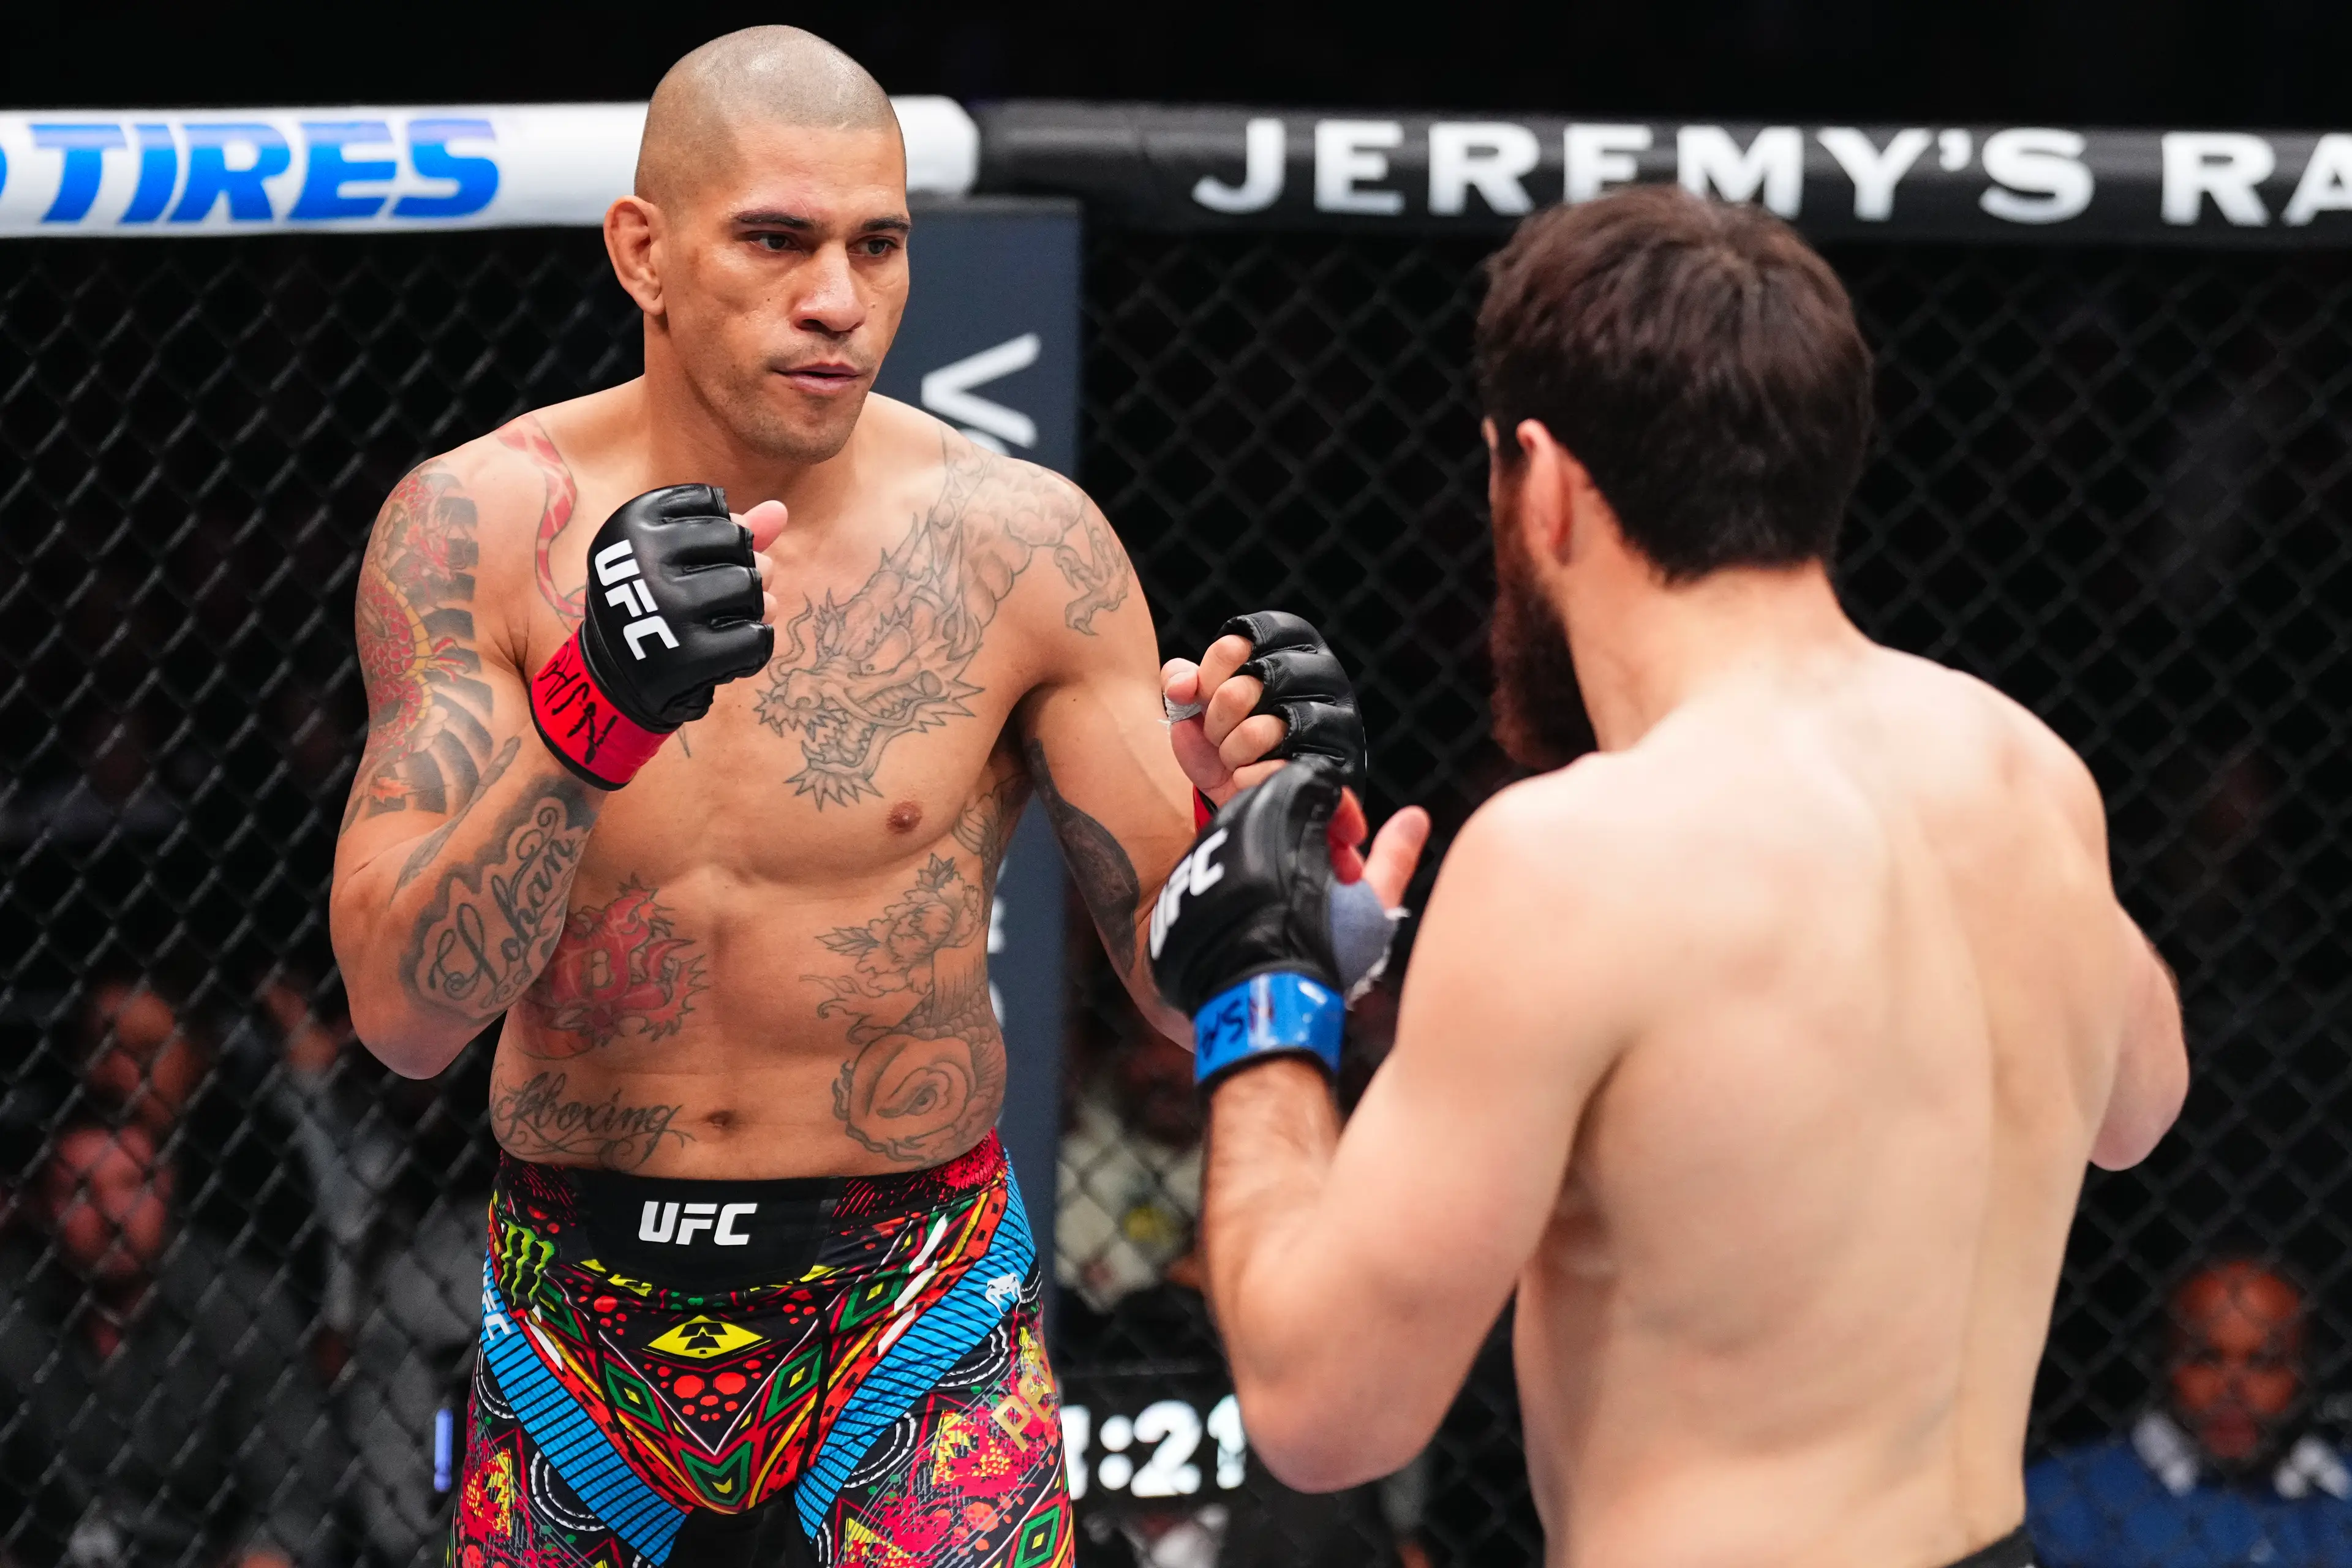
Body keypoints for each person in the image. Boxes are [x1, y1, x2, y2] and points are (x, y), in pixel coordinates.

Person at [326, 26, 1362, 1568]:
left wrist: (1246, 834)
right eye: (776, 240)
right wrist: (588, 717)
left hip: (914, 1299)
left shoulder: (1022, 546)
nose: (837, 298)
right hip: (577, 1307)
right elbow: (404, 1015)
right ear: (643, 251)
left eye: (878, 245)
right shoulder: (474, 527)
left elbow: (1171, 986)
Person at [1144, 182, 2190, 1568]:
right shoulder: (2021, 768)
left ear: (1543, 480)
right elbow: (2137, 1107)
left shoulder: (1568, 861)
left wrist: (1260, 988)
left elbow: (1322, 1409)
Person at [0, 1122, 344, 1567]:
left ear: (166, 1186)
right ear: (40, 1206)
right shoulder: (13, 1313)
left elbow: (291, 1495)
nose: (112, 1215)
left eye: (132, 1183)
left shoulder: (238, 1306)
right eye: (80, 1192)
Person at [2029, 1258, 2352, 1567]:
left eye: (2265, 1362)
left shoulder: (2342, 1495)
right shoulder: (2058, 1500)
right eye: (2205, 1358)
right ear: (2160, 1359)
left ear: (2309, 1369)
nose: (2232, 1390)